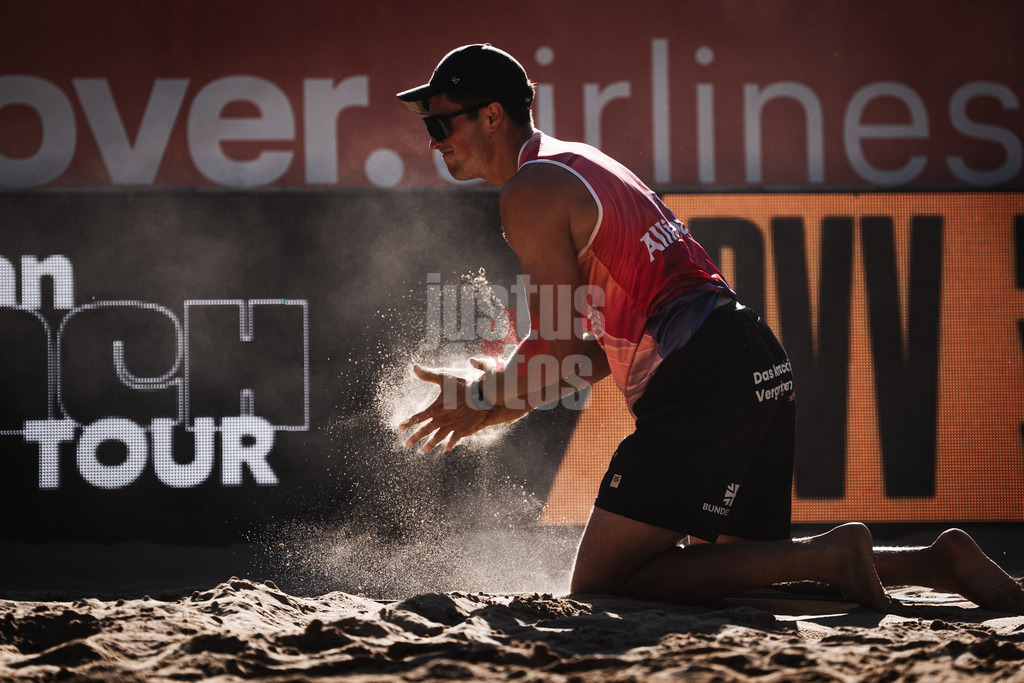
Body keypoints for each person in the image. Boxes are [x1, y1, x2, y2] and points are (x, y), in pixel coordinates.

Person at [396, 44, 1024, 614]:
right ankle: (937, 562)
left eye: (440, 122)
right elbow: (589, 358)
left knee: (605, 584)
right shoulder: (576, 161)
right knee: (741, 579)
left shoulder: (530, 190)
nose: (433, 141)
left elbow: (556, 354)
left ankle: (832, 553)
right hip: (754, 359)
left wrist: (482, 396)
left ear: (492, 115)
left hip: (702, 375)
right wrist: (495, 405)